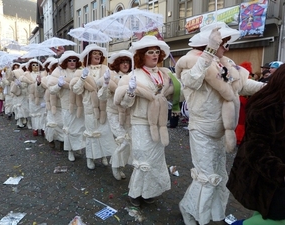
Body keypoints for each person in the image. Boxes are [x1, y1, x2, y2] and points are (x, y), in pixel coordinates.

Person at [175, 22, 265, 225]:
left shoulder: (226, 64)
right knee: (206, 178)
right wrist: (208, 52)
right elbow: (191, 81)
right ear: (210, 43)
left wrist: (270, 87)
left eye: (225, 42)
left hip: (221, 131)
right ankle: (191, 211)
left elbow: (242, 86)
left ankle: (214, 214)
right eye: (223, 42)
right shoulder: (191, 62)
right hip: (202, 129)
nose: (227, 47)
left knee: (220, 177)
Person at [114, 35, 180, 207]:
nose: (154, 55)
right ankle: (135, 193)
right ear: (142, 55)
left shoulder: (165, 74)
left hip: (159, 123)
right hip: (140, 122)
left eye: (157, 52)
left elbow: (175, 93)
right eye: (150, 52)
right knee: (143, 158)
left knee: (156, 159)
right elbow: (124, 104)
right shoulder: (133, 75)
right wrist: (130, 91)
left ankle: (149, 191)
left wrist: (173, 90)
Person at [227, 64, 285, 224]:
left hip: (273, 181)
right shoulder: (266, 109)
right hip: (267, 180)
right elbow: (256, 150)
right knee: (274, 218)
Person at [72, 44, 117, 169]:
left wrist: (107, 82)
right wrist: (82, 78)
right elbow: (76, 90)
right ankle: (90, 157)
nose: (97, 55)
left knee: (104, 131)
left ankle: (103, 155)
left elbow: (113, 87)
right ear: (89, 56)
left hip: (103, 104)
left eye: (99, 53)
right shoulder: (81, 71)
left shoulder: (106, 69)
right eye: (94, 53)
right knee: (91, 132)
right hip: (89, 104)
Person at [98, 50, 133, 180]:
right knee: (123, 141)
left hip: (129, 115)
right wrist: (106, 84)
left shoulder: (133, 76)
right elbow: (102, 96)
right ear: (117, 64)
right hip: (114, 114)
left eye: (127, 62)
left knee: (130, 142)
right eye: (122, 62)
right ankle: (115, 165)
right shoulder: (112, 76)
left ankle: (121, 166)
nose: (125, 65)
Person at [48, 50, 86, 161]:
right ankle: (70, 150)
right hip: (66, 104)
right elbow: (52, 90)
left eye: (74, 60)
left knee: (79, 128)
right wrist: (60, 85)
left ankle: (77, 146)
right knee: (69, 128)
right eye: (69, 60)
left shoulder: (80, 71)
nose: (72, 62)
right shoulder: (59, 72)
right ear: (65, 61)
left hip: (80, 104)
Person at [21, 58, 46, 136]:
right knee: (34, 114)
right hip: (32, 97)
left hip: (42, 97)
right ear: (30, 67)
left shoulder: (43, 74)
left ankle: (43, 128)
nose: (35, 67)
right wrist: (21, 84)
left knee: (42, 114)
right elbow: (24, 86)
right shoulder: (28, 75)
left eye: (36, 65)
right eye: (33, 65)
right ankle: (35, 128)